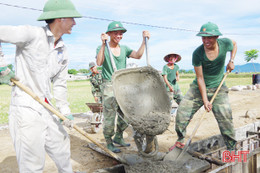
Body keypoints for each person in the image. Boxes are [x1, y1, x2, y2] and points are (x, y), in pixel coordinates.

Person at [0, 0, 82, 172]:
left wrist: (65, 111)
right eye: (72, 18)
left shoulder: (62, 51)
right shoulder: (32, 34)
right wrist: (1, 65)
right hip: (26, 108)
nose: (75, 22)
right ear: (60, 18)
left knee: (61, 145)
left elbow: (60, 84)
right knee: (33, 164)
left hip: (47, 106)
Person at [171, 22, 237, 151]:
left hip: (218, 87)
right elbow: (200, 78)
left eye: (209, 37)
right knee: (182, 113)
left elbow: (234, 44)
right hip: (198, 88)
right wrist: (205, 100)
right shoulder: (198, 53)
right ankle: (180, 141)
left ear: (217, 37)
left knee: (226, 118)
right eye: (203, 37)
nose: (206, 40)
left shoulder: (225, 44)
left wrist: (232, 60)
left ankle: (231, 149)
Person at [96, 21, 150, 153]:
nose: (119, 35)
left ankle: (119, 137)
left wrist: (144, 40)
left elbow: (138, 55)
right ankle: (109, 141)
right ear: (109, 34)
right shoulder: (102, 48)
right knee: (110, 115)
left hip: (123, 85)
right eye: (115, 33)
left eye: (121, 33)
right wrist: (103, 44)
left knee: (126, 114)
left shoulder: (124, 49)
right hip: (109, 84)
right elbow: (99, 62)